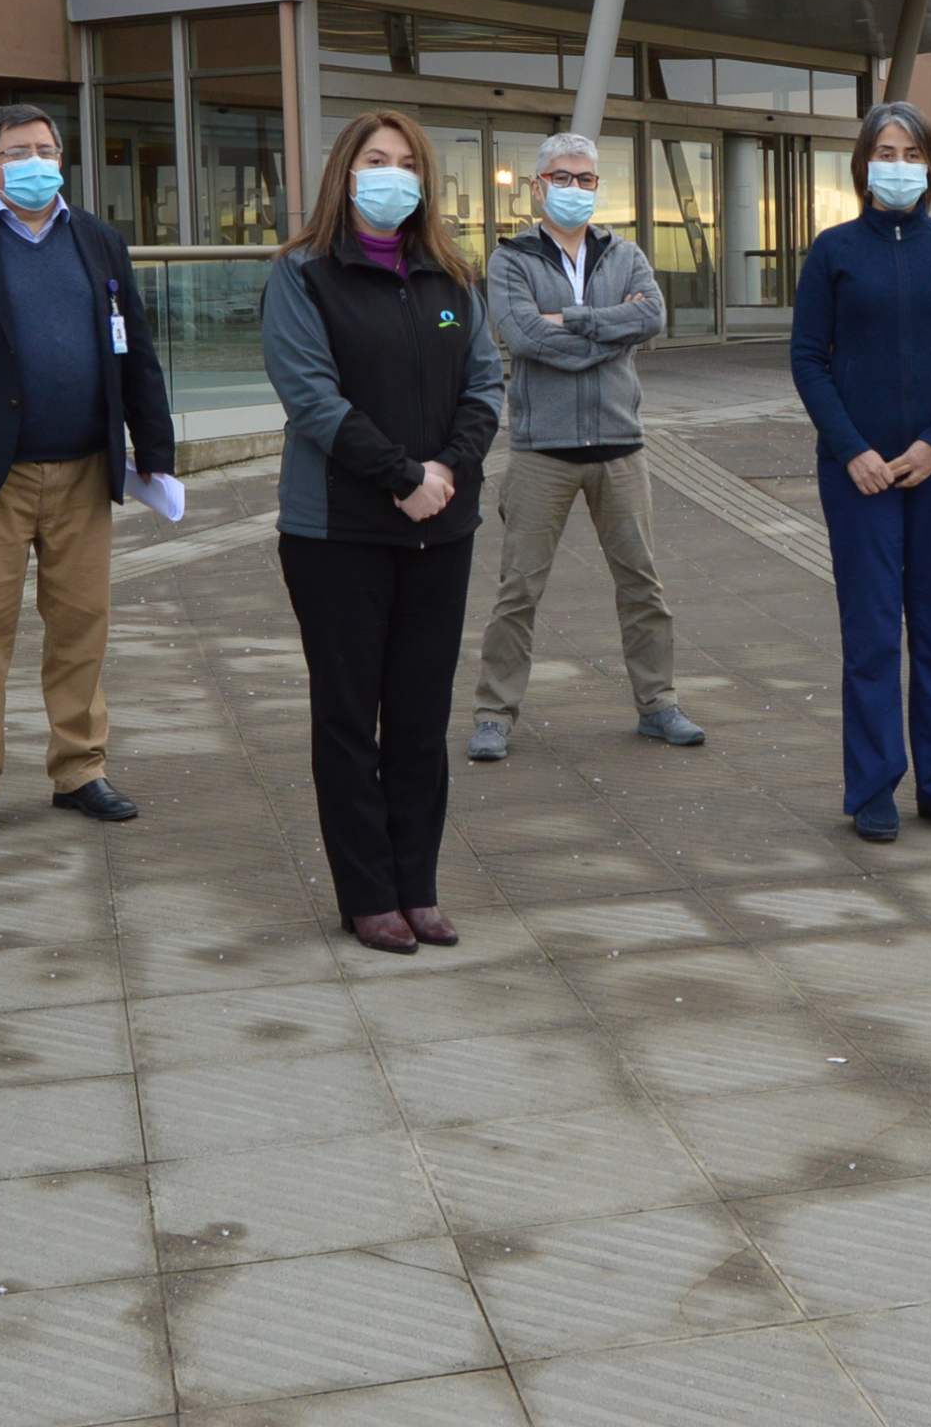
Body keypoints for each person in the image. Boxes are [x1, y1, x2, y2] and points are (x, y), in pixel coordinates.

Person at [262, 110, 503, 954]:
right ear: (344, 172)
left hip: (443, 528)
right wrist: (403, 477)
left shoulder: (452, 277)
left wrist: (444, 475)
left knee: (419, 715)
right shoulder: (302, 275)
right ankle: (367, 892)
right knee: (347, 715)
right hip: (340, 533)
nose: (391, 174)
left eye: (405, 162)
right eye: (375, 159)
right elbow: (314, 399)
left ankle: (418, 884)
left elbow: (485, 388)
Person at [0, 103, 176, 843]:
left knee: (81, 628)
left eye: (48, 148)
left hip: (86, 467)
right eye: (20, 150)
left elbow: (135, 349)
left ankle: (80, 768)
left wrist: (155, 450)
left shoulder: (96, 238)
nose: (37, 161)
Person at [791, 100, 931, 843]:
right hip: (859, 477)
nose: (899, 166)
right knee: (873, 634)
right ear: (863, 164)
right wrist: (853, 450)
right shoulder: (834, 251)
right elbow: (808, 360)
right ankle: (874, 784)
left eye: (913, 154)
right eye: (886, 152)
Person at [470, 133, 704, 760]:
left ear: (599, 186)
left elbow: (653, 316)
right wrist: (609, 330)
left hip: (619, 447)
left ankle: (659, 704)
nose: (574, 188)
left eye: (586, 178)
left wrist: (570, 320)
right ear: (537, 185)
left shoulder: (625, 254)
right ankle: (494, 714)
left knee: (643, 585)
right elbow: (521, 336)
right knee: (517, 591)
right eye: (561, 176)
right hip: (540, 450)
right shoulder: (510, 260)